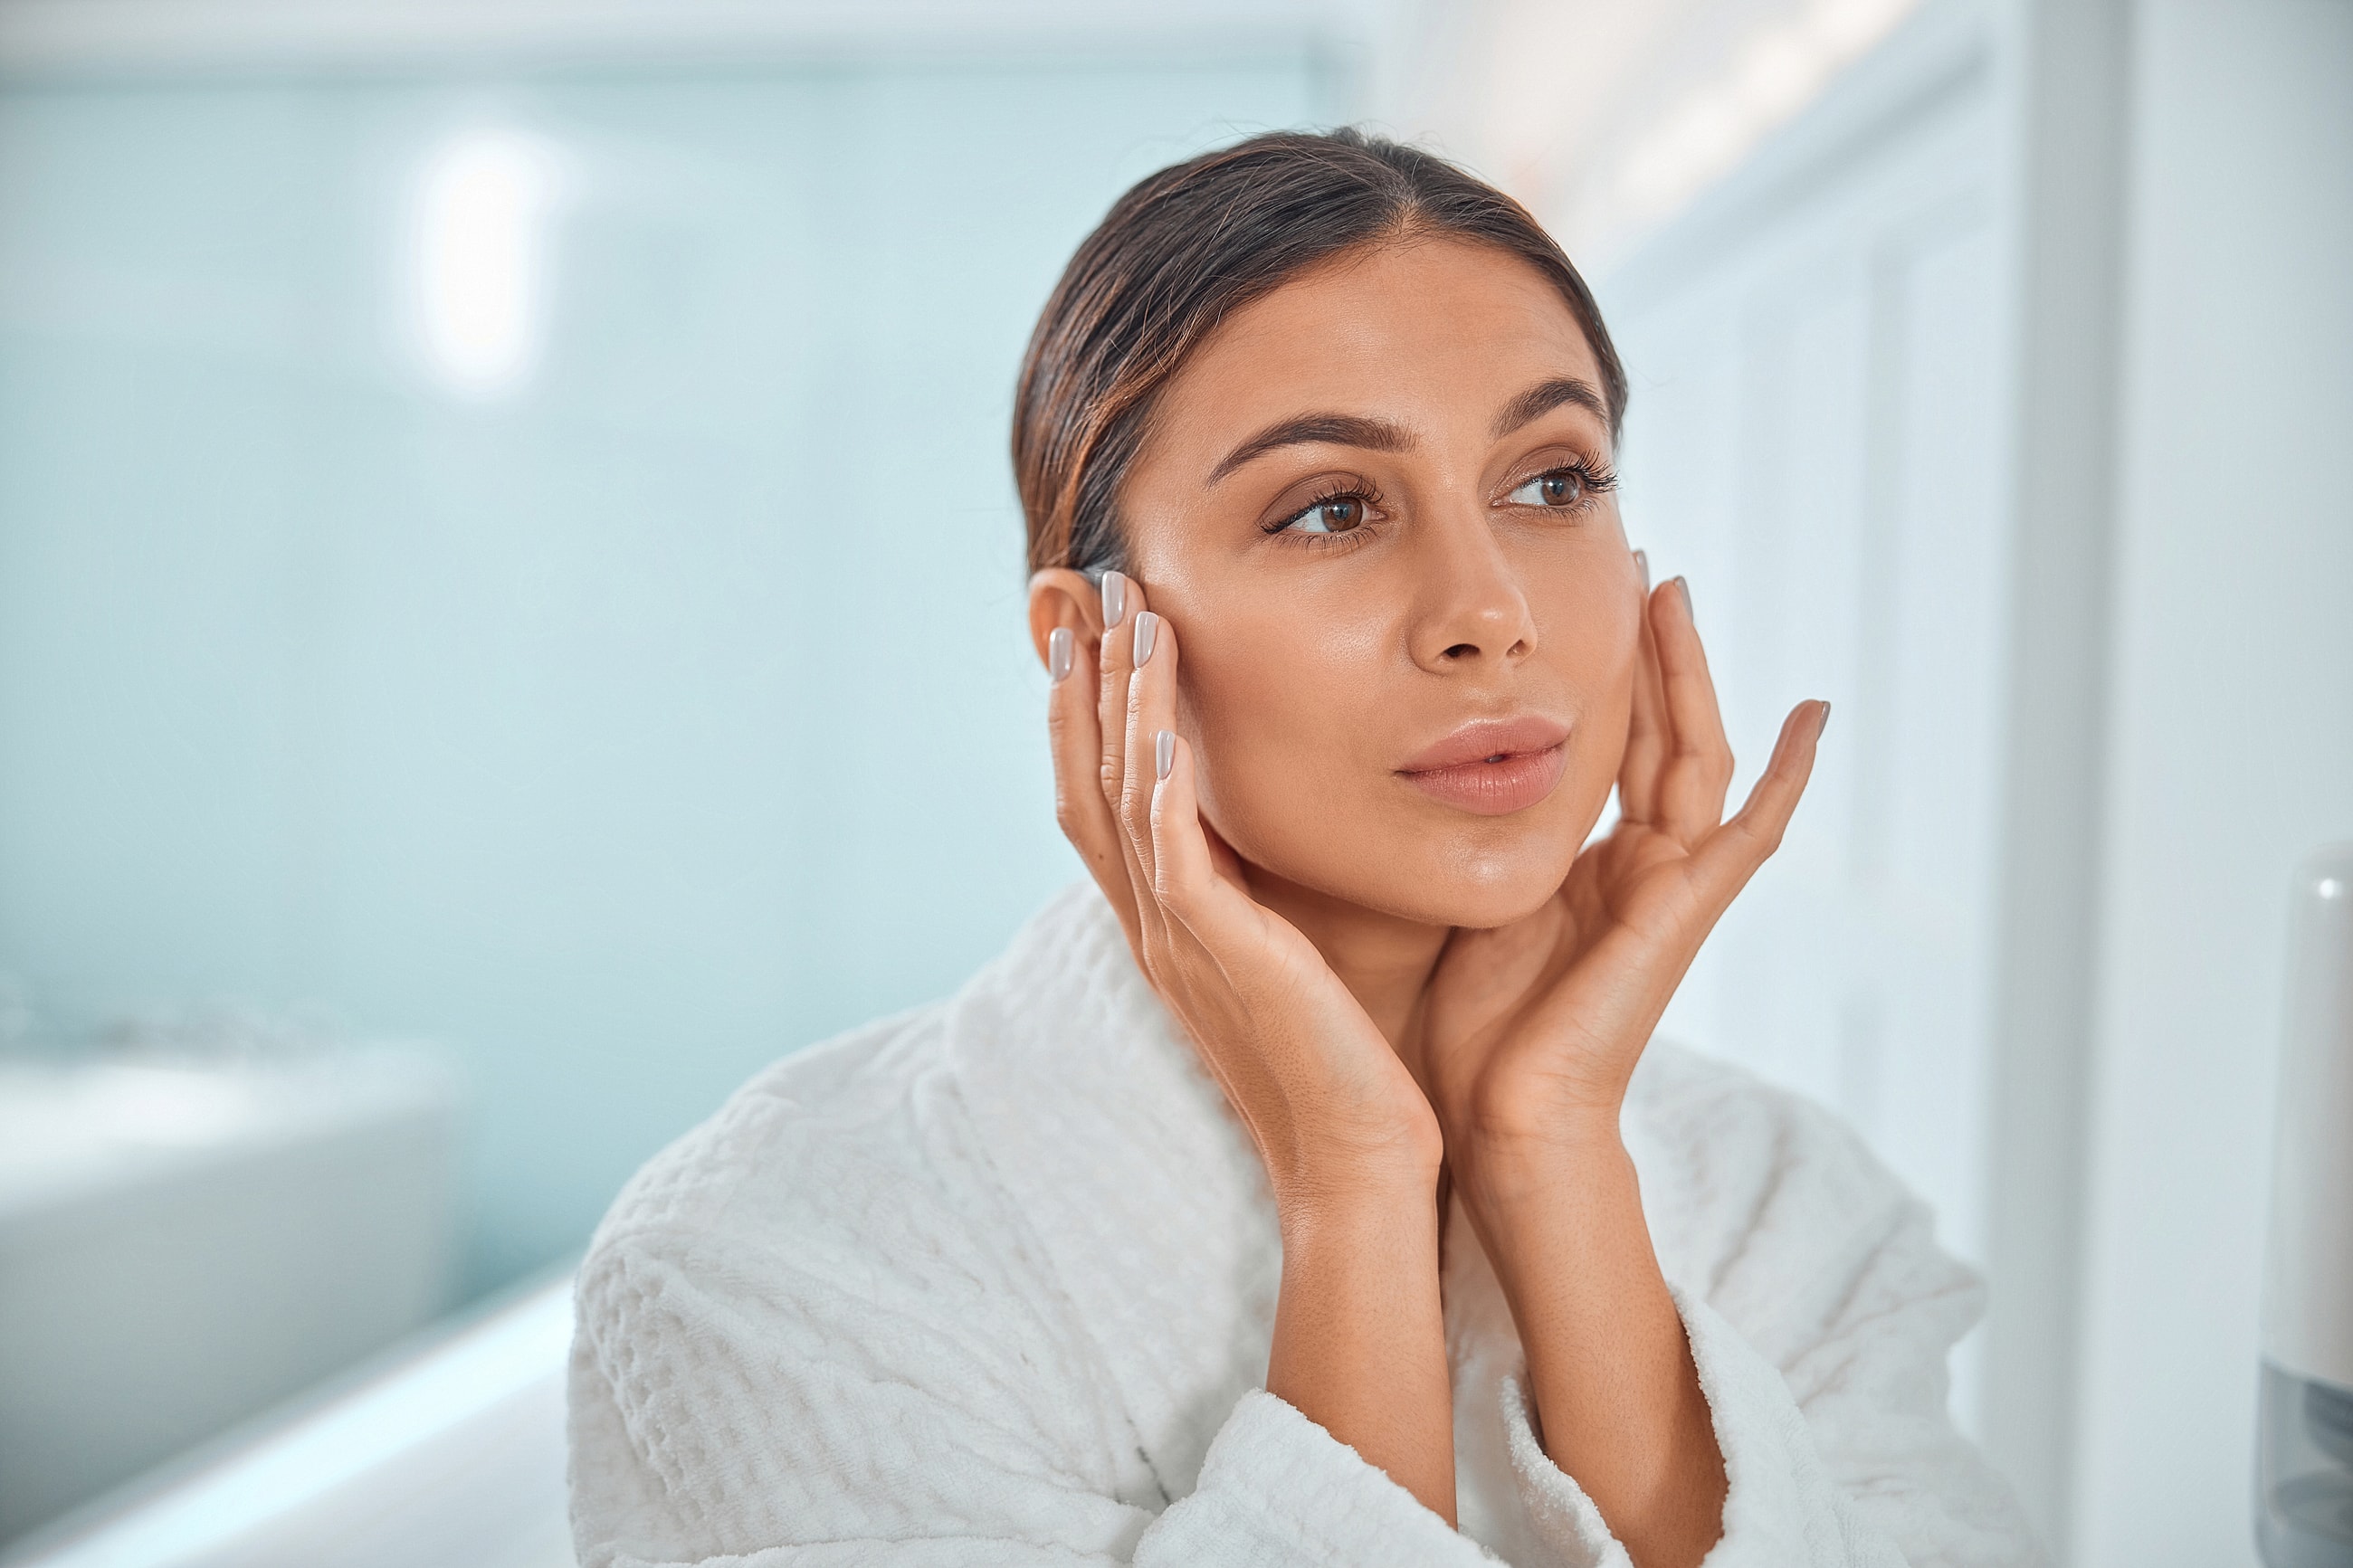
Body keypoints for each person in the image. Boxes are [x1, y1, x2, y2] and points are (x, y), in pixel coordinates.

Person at [567, 128, 2044, 1568]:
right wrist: (1351, 1179)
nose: (1489, 610)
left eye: (1551, 481)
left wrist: (1555, 1156)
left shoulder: (1790, 1207)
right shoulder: (770, 1270)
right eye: (1332, 508)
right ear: (1091, 646)